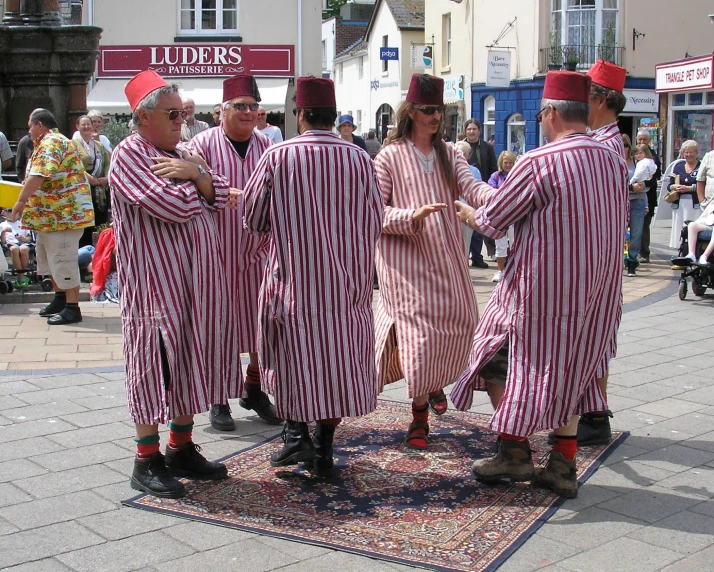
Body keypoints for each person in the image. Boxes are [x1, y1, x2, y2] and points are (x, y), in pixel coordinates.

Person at [450, 71, 629, 499]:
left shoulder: (540, 160)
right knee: (570, 370)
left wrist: (468, 213)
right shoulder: (612, 156)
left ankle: (514, 450)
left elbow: (495, 222)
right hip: (596, 291)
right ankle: (563, 465)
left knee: (492, 356)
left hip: (540, 294)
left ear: (549, 113)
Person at [243, 77, 383, 476]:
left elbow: (252, 218)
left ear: (300, 114)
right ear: (332, 115)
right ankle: (323, 447)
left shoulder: (278, 155)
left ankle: (296, 435)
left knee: (293, 359)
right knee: (336, 363)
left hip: (294, 282)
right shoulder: (359, 158)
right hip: (345, 285)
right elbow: (376, 218)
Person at [110, 70, 235, 498]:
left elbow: (218, 193)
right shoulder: (129, 154)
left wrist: (196, 173)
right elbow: (174, 205)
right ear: (143, 117)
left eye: (182, 112)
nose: (181, 120)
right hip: (155, 288)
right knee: (153, 366)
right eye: (171, 114)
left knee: (190, 361)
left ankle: (181, 446)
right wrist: (197, 178)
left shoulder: (182, 152)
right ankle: (146, 459)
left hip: (196, 284)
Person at [373, 74, 488, 451]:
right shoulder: (389, 156)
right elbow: (372, 212)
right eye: (427, 110)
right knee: (419, 338)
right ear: (411, 112)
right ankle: (419, 417)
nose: (435, 116)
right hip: (404, 261)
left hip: (446, 257)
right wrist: (411, 218)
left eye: (439, 109)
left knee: (464, 319)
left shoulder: (450, 153)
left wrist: (504, 198)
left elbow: (472, 187)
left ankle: (433, 380)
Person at [189, 74, 281, 430]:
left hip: (259, 252)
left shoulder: (269, 148)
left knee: (262, 324)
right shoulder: (202, 144)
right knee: (218, 326)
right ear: (221, 110)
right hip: (216, 253)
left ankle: (254, 388)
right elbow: (190, 193)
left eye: (252, 106)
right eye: (239, 106)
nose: (247, 112)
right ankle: (218, 398)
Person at [574, 60, 632, 447]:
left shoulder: (603, 145)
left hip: (596, 253)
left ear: (598, 99)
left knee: (591, 331)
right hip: (605, 251)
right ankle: (594, 413)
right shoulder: (610, 143)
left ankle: (595, 415)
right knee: (596, 331)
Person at [8, 108, 94, 325]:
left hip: (63, 215)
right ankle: (60, 299)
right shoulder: (45, 143)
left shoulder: (52, 142)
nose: (28, 131)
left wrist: (19, 201)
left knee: (63, 260)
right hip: (49, 217)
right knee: (50, 261)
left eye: (30, 126)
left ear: (40, 125)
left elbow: (39, 174)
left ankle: (72, 307)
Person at [462, 119, 498, 268]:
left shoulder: (486, 147)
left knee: (478, 226)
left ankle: (477, 256)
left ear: (479, 131)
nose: (471, 131)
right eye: (469, 129)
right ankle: (464, 256)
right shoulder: (457, 147)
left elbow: (492, 166)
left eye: (474, 129)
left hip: (481, 188)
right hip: (463, 192)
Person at [72, 115, 111, 246]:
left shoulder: (99, 145)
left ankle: (101, 249)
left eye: (89, 124)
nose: (87, 127)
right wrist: (89, 179)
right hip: (83, 188)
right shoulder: (73, 144)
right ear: (78, 127)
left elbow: (107, 163)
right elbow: (74, 164)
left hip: (100, 188)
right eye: (83, 124)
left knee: (101, 221)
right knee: (86, 222)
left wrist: (106, 177)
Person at [487, 150, 517, 283]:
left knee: (516, 242)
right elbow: (491, 190)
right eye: (506, 162)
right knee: (500, 244)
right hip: (500, 214)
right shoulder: (495, 176)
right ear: (501, 163)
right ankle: (500, 271)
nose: (508, 165)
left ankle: (516, 269)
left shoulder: (518, 174)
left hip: (516, 214)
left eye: (511, 162)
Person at [668, 140, 701, 249]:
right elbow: (669, 185)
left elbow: (705, 186)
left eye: (691, 152)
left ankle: (693, 252)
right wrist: (675, 187)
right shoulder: (677, 166)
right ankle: (681, 252)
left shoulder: (701, 167)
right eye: (686, 152)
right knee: (679, 229)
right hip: (679, 204)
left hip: (695, 205)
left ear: (696, 153)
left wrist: (690, 188)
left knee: (693, 228)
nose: (688, 155)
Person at [636, 130, 661, 263]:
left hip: (648, 197)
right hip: (633, 195)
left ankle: (644, 253)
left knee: (645, 225)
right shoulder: (636, 156)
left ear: (649, 140)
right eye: (640, 139)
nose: (642, 142)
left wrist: (643, 183)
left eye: (644, 139)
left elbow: (655, 177)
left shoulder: (653, 158)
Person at [0, 210, 33, 288]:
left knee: (24, 249)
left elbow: (30, 237)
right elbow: (3, 241)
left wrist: (25, 239)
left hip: (23, 243)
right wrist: (4, 232)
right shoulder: (3, 224)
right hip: (10, 244)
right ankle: (21, 276)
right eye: (10, 211)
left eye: (15, 212)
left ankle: (20, 275)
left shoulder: (23, 223)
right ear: (5, 213)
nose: (12, 214)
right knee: (15, 249)